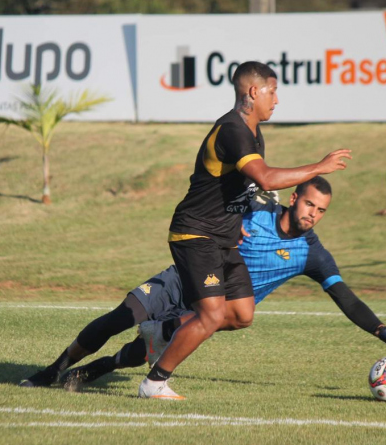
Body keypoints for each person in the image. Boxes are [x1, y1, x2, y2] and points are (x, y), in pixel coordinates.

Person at [20, 178, 386, 394]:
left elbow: (344, 297)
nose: (314, 214)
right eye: (310, 204)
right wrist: (236, 209)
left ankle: (92, 373)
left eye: (322, 210)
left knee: (139, 354)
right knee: (118, 319)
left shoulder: (313, 254)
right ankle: (55, 369)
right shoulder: (259, 207)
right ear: (295, 198)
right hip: (182, 279)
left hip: (207, 310)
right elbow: (215, 201)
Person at [138, 61, 352, 400]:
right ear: (254, 91)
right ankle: (154, 383)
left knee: (241, 314)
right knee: (210, 316)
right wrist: (319, 166)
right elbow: (265, 178)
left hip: (223, 237)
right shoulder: (233, 130)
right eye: (273, 90)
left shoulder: (253, 132)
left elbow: (242, 189)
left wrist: (235, 223)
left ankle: (161, 332)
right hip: (197, 232)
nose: (277, 100)